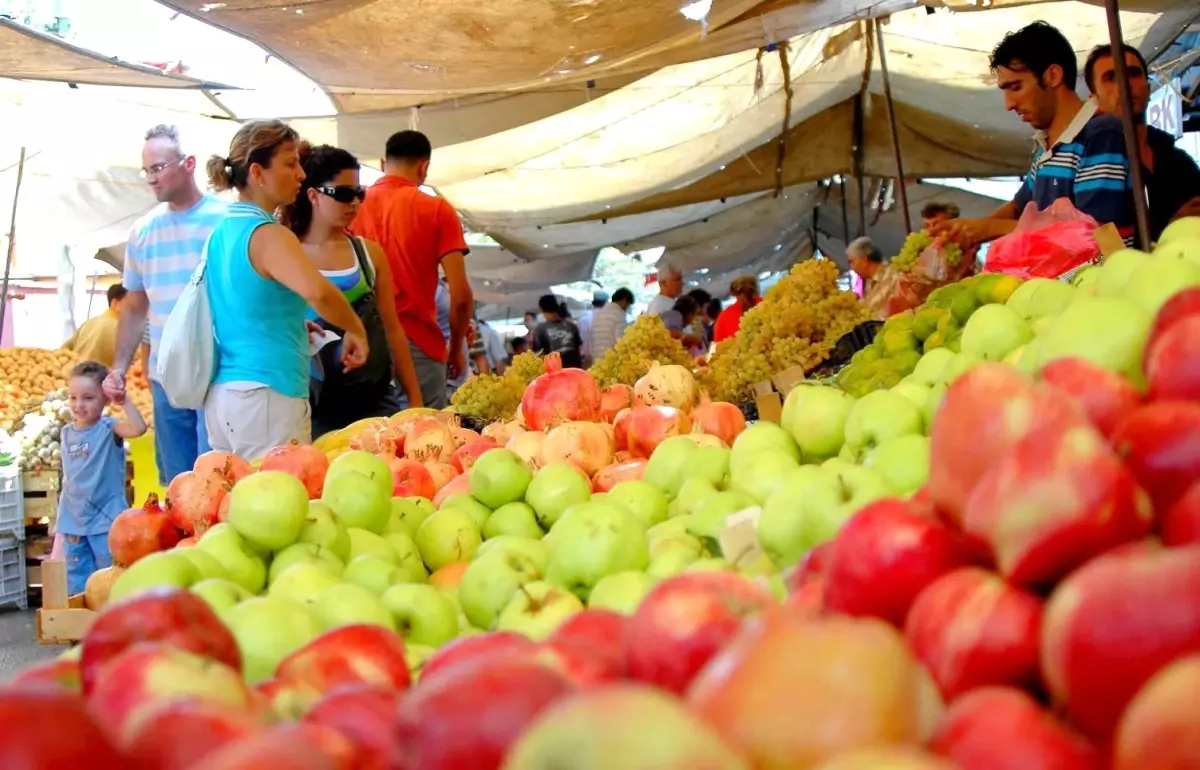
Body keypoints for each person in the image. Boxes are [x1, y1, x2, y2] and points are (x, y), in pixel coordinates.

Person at [203, 120, 368, 460]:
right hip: (268, 395)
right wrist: (356, 328)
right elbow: (319, 293)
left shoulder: (222, 231)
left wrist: (291, 325)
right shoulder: (269, 233)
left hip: (226, 396)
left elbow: (244, 306)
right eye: (290, 164)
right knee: (279, 503)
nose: (301, 175)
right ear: (258, 172)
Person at [931, 22, 1136, 248]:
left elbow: (1092, 233)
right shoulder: (1045, 144)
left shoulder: (1101, 133)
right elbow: (1019, 206)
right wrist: (966, 231)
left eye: (1016, 87)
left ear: (1053, 76)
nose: (1009, 104)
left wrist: (990, 228)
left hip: (1099, 281)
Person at [104, 124, 227, 485]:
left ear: (188, 164)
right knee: (177, 482)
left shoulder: (225, 220)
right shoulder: (142, 232)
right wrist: (119, 368)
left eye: (158, 168)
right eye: (147, 170)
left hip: (216, 371)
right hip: (164, 377)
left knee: (213, 479)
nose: (151, 179)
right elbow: (134, 305)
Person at [282, 143, 423, 438]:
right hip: (313, 402)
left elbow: (392, 329)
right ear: (313, 195)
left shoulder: (369, 254)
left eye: (359, 193)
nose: (355, 203)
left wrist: (414, 399)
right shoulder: (285, 252)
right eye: (344, 194)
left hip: (373, 398)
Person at [351, 130, 473, 409]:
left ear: (383, 163)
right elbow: (461, 295)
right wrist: (455, 350)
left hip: (364, 340)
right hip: (419, 341)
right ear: (424, 167)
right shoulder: (437, 210)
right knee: (425, 438)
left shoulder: (352, 206)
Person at [1085, 44, 1200, 241]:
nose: (1125, 84)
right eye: (1111, 77)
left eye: (1133, 74)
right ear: (1093, 98)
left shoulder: (1179, 162)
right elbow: (1096, 245)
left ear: (1147, 88)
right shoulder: (1087, 165)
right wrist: (1172, 230)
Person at [60, 361, 146, 595]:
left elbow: (139, 429)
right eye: (73, 397)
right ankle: (82, 627)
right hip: (73, 522)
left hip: (106, 521)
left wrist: (123, 401)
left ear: (105, 399)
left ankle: (112, 621)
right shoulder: (66, 433)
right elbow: (68, 478)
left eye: (88, 398)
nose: (79, 405)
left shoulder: (109, 428)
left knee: (111, 576)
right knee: (77, 580)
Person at [64, 284, 125, 367]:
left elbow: (63, 351)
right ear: (115, 303)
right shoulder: (124, 331)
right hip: (101, 378)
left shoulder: (88, 323)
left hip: (74, 375)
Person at [532, 294, 583, 368]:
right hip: (574, 369)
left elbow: (538, 354)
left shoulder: (540, 330)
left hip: (555, 372)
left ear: (542, 309)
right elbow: (579, 348)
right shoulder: (571, 325)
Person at [589, 287, 634, 361]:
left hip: (597, 359)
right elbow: (621, 341)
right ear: (624, 300)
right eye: (628, 305)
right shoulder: (619, 314)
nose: (627, 308)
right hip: (611, 361)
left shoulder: (599, 314)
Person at [713, 276, 759, 343]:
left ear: (734, 293)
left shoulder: (723, 316)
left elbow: (718, 346)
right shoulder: (767, 305)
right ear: (756, 289)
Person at [577, 291, 607, 366]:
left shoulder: (584, 320)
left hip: (587, 361)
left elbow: (581, 341)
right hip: (606, 362)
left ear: (593, 303)